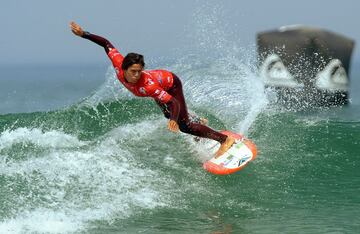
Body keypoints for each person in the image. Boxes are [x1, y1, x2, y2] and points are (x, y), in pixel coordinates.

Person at [69, 21, 235, 157]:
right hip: (161, 84)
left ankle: (224, 140)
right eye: (133, 71)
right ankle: (198, 121)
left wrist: (174, 120)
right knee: (167, 113)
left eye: (140, 71)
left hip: (172, 84)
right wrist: (84, 34)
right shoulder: (118, 63)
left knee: (183, 125)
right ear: (124, 68)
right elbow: (106, 44)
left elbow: (174, 102)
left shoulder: (148, 86)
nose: (136, 75)